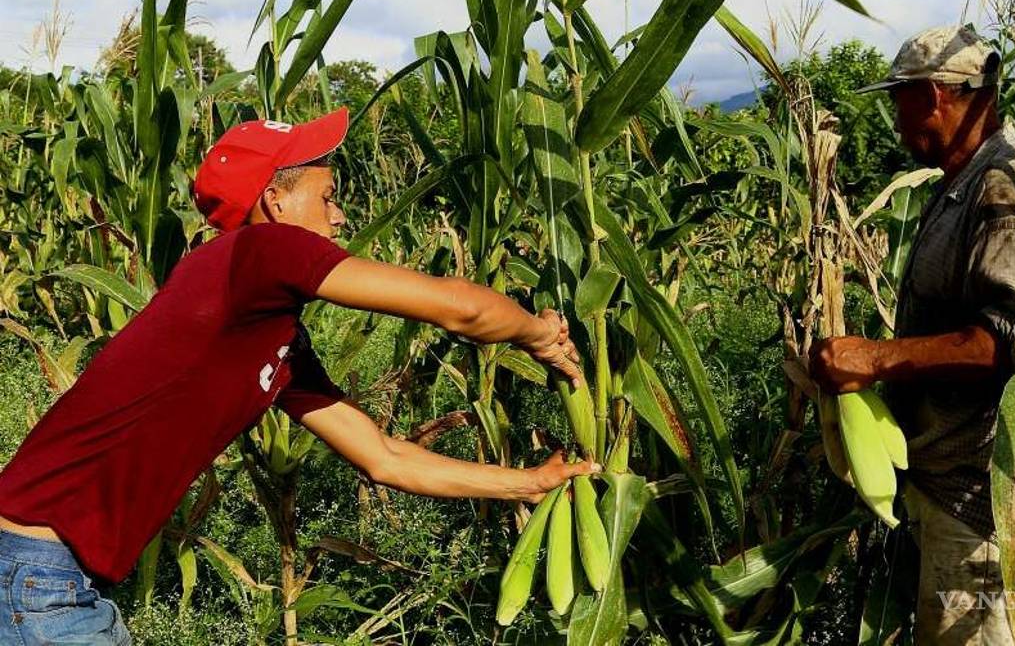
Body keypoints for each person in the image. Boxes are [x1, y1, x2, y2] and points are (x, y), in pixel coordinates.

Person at [0, 107, 597, 645]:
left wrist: (525, 484)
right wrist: (536, 332)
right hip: (36, 577)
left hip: (49, 578)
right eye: (328, 195)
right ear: (275, 203)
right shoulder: (260, 251)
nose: (340, 215)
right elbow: (459, 307)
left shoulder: (266, 328)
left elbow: (385, 457)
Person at [809, 26, 1015, 645]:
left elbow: (1012, 343)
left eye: (899, 101)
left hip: (985, 511)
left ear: (931, 96)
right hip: (946, 493)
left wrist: (876, 359)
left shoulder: (1009, 185)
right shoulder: (962, 182)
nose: (897, 123)